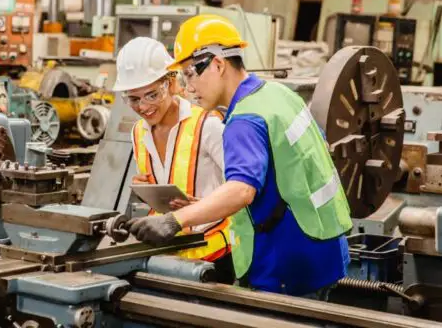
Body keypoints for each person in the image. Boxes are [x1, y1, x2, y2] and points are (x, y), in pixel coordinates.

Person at [124, 16, 352, 299]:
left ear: (218, 64)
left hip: (285, 260)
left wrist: (174, 221)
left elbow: (242, 190)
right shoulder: (277, 94)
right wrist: (204, 205)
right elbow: (288, 167)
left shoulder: (244, 119)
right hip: (323, 245)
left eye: (191, 74)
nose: (189, 88)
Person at [114, 37, 233, 283]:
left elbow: (243, 191)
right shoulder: (138, 132)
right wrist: (145, 189)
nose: (144, 106)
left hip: (213, 255)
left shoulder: (207, 126)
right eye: (134, 99)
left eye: (152, 95)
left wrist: (202, 205)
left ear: (171, 84)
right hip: (166, 253)